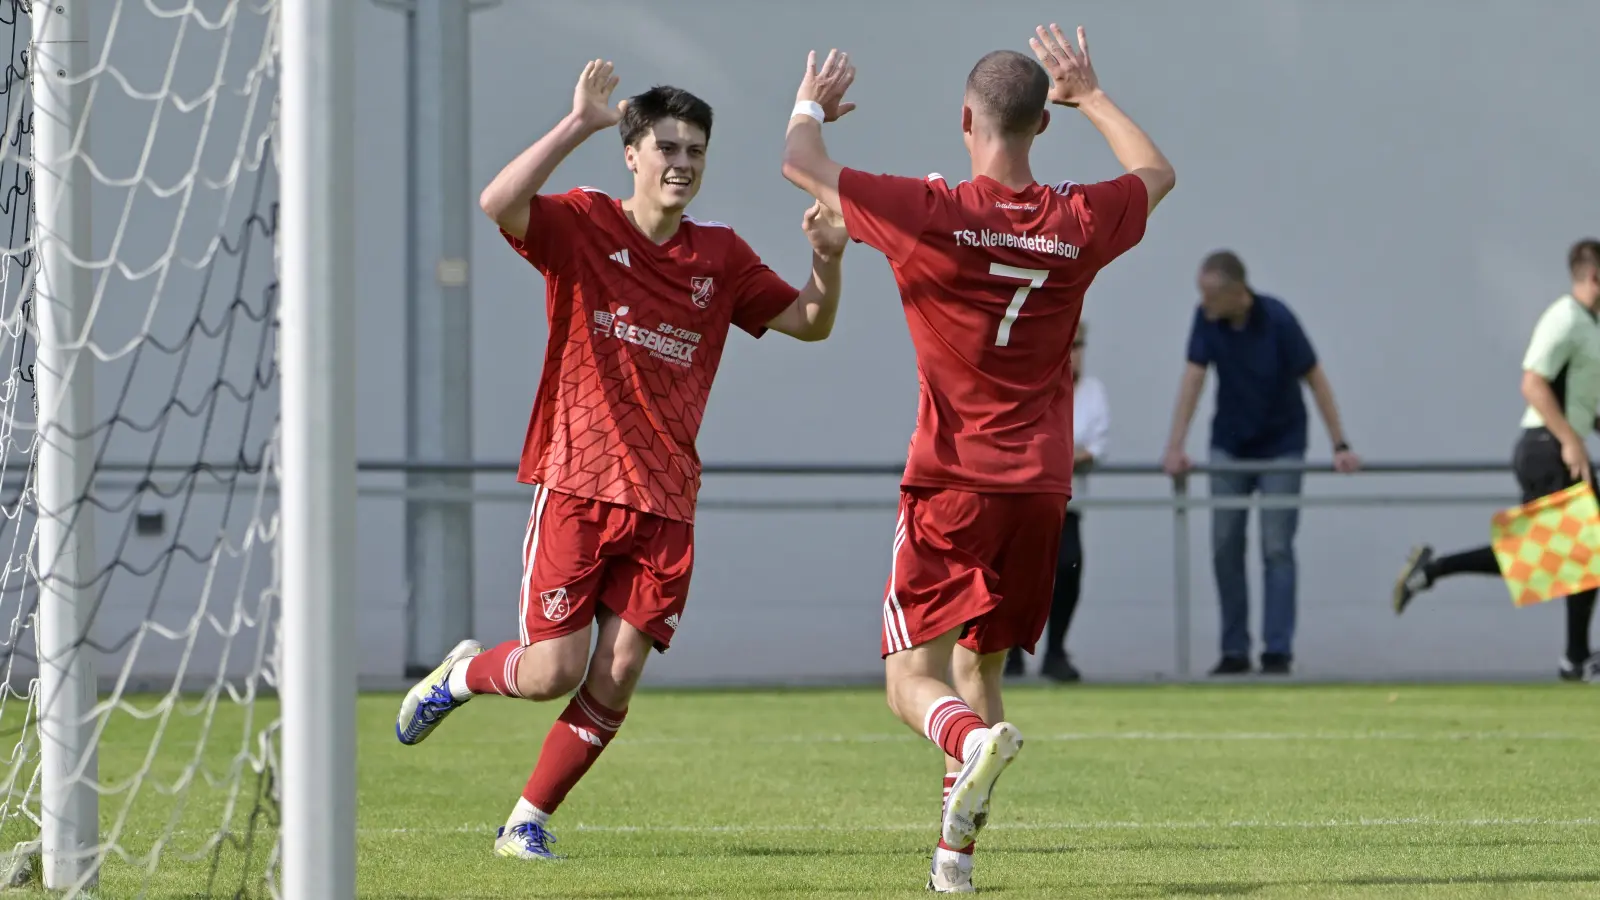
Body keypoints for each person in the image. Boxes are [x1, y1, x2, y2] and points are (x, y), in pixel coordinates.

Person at [393, 61, 852, 860]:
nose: (682, 162)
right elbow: (498, 203)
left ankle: (526, 820)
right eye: (667, 146)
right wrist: (578, 123)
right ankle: (460, 677)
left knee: (618, 672)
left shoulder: (722, 257)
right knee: (548, 673)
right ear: (632, 153)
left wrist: (830, 259)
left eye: (696, 150)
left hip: (668, 500)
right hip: (578, 482)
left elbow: (811, 322)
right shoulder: (583, 225)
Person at [780, 25, 1174, 892]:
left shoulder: (934, 211)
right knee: (980, 664)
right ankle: (955, 855)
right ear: (1043, 124)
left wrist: (814, 102)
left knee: (908, 681)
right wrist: (1094, 93)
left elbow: (799, 156)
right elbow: (1156, 174)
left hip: (952, 479)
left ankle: (967, 744)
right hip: (1041, 488)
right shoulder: (1077, 218)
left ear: (966, 118)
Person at [1393, 239, 1600, 683]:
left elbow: (1578, 400)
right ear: (1594, 277)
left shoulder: (1590, 324)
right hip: (1546, 448)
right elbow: (1533, 384)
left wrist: (1583, 430)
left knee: (1560, 556)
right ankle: (1575, 659)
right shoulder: (1564, 319)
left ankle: (1432, 572)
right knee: (1574, 552)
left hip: (1561, 445)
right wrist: (1569, 441)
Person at [1160, 251, 1360, 677]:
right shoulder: (1207, 320)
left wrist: (1339, 442)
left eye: (1211, 295)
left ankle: (1276, 651)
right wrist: (1175, 445)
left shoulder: (1278, 320)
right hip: (1230, 445)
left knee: (1276, 547)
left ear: (1238, 292)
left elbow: (1316, 378)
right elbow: (1193, 380)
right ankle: (1234, 650)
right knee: (1224, 545)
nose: (1204, 304)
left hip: (1281, 445)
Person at [1005, 320, 1110, 681]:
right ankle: (1013, 652)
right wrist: (1063, 454)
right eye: (1070, 344)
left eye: (1080, 345)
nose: (1075, 353)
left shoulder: (1093, 392)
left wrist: (1054, 455)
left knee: (1068, 569)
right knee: (1019, 577)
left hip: (1068, 502)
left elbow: (1094, 449)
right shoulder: (1033, 386)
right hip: (1027, 500)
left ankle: (1055, 651)